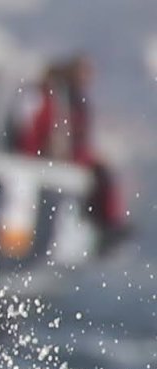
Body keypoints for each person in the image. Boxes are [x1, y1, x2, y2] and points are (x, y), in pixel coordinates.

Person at [10, 54, 133, 244]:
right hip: (43, 159)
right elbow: (36, 132)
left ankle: (103, 224)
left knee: (100, 175)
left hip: (56, 157)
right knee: (101, 176)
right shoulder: (52, 97)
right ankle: (105, 225)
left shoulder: (67, 98)